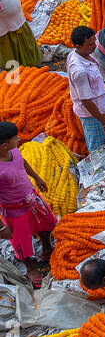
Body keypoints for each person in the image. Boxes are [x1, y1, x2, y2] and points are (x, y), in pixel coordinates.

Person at [0, 119, 56, 288]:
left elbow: (22, 162)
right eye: (15, 138)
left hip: (32, 199)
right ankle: (31, 268)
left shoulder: (14, 151)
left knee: (46, 223)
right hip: (14, 210)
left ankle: (46, 248)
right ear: (3, 145)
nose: (19, 140)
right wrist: (2, 227)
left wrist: (37, 178)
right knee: (21, 241)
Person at [66, 25, 105, 151]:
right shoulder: (79, 71)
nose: (94, 46)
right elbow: (86, 101)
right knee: (97, 147)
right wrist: (104, 122)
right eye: (90, 44)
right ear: (78, 46)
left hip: (100, 107)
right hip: (92, 114)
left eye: (94, 41)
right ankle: (97, 169)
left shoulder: (78, 54)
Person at [0, 0, 40, 69]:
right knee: (11, 61)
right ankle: (15, 80)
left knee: (27, 50)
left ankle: (33, 70)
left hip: (18, 20)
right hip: (4, 28)